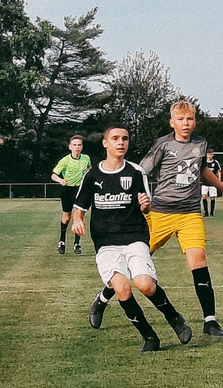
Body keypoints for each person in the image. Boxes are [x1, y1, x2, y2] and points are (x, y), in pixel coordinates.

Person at [88, 99, 223, 336]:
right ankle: (103, 297)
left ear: (195, 122)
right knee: (133, 265)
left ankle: (210, 321)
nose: (186, 123)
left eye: (190, 119)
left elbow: (202, 170)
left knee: (199, 260)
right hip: (160, 212)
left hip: (190, 213)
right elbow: (139, 172)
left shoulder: (201, 143)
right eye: (180, 119)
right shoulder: (163, 145)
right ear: (172, 123)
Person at [72, 125, 192, 352]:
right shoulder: (92, 175)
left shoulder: (136, 172)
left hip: (134, 237)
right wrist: (77, 220)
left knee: (145, 285)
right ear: (105, 143)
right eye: (115, 138)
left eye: (125, 139)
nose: (120, 142)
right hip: (106, 242)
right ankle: (149, 337)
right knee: (122, 288)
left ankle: (175, 318)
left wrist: (146, 206)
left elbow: (146, 207)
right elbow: (79, 207)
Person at [51, 135, 91, 254]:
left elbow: (89, 170)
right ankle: (62, 241)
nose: (77, 147)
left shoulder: (86, 158)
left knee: (79, 217)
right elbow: (53, 175)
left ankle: (77, 244)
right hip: (68, 190)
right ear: (70, 147)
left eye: (79, 145)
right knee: (67, 217)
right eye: (74, 145)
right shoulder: (65, 161)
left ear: (82, 147)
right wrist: (60, 180)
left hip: (80, 190)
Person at [202, 148, 222, 217]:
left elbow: (219, 171)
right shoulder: (204, 162)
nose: (211, 155)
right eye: (210, 154)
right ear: (207, 155)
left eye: (212, 154)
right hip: (204, 183)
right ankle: (206, 212)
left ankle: (212, 213)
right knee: (204, 196)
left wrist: (219, 180)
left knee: (212, 197)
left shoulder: (215, 162)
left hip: (213, 183)